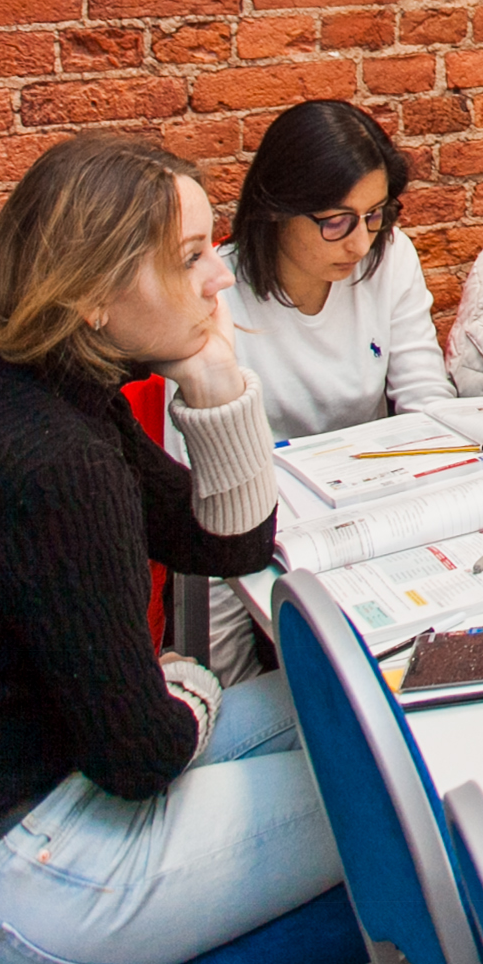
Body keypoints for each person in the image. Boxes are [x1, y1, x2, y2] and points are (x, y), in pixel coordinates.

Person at [0, 134, 344, 964]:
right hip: (16, 881)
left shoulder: (39, 392)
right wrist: (188, 680)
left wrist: (218, 386)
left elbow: (226, 544)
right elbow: (140, 752)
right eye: (191, 258)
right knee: (392, 780)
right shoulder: (53, 463)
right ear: (91, 297)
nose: (220, 278)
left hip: (37, 796)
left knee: (349, 700)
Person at [183, 99, 449, 676]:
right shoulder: (218, 298)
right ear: (278, 209)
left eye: (377, 214)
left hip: (378, 533)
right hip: (266, 555)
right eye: (336, 221)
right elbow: (205, 517)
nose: (359, 242)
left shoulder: (387, 256)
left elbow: (429, 404)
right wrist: (235, 685)